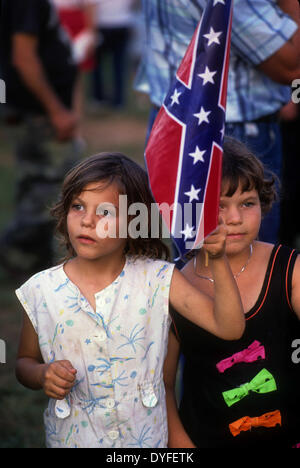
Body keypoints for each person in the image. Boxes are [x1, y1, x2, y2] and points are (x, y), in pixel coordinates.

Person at [14, 152, 244, 448]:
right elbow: (24, 362)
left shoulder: (159, 279)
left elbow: (229, 328)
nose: (87, 221)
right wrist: (42, 374)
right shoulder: (40, 290)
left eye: (106, 212)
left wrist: (218, 260)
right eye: (78, 206)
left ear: (136, 221)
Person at [163, 136, 300, 448]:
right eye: (218, 206)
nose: (235, 219)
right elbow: (163, 384)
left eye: (247, 203)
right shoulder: (173, 287)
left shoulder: (288, 267)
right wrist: (180, 442)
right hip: (205, 437)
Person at [135, 0, 300, 244]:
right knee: (244, 266)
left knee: (197, 258)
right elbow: (291, 65)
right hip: (231, 132)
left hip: (174, 122)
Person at [0, 0, 80, 279]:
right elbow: (23, 57)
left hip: (32, 110)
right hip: (37, 112)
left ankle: (32, 263)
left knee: (36, 185)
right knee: (54, 188)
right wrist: (56, 110)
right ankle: (13, 253)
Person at [92, 0, 136, 109]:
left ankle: (99, 98)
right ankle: (118, 100)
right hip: (122, 22)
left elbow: (91, 4)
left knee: (98, 64)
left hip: (102, 22)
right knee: (119, 64)